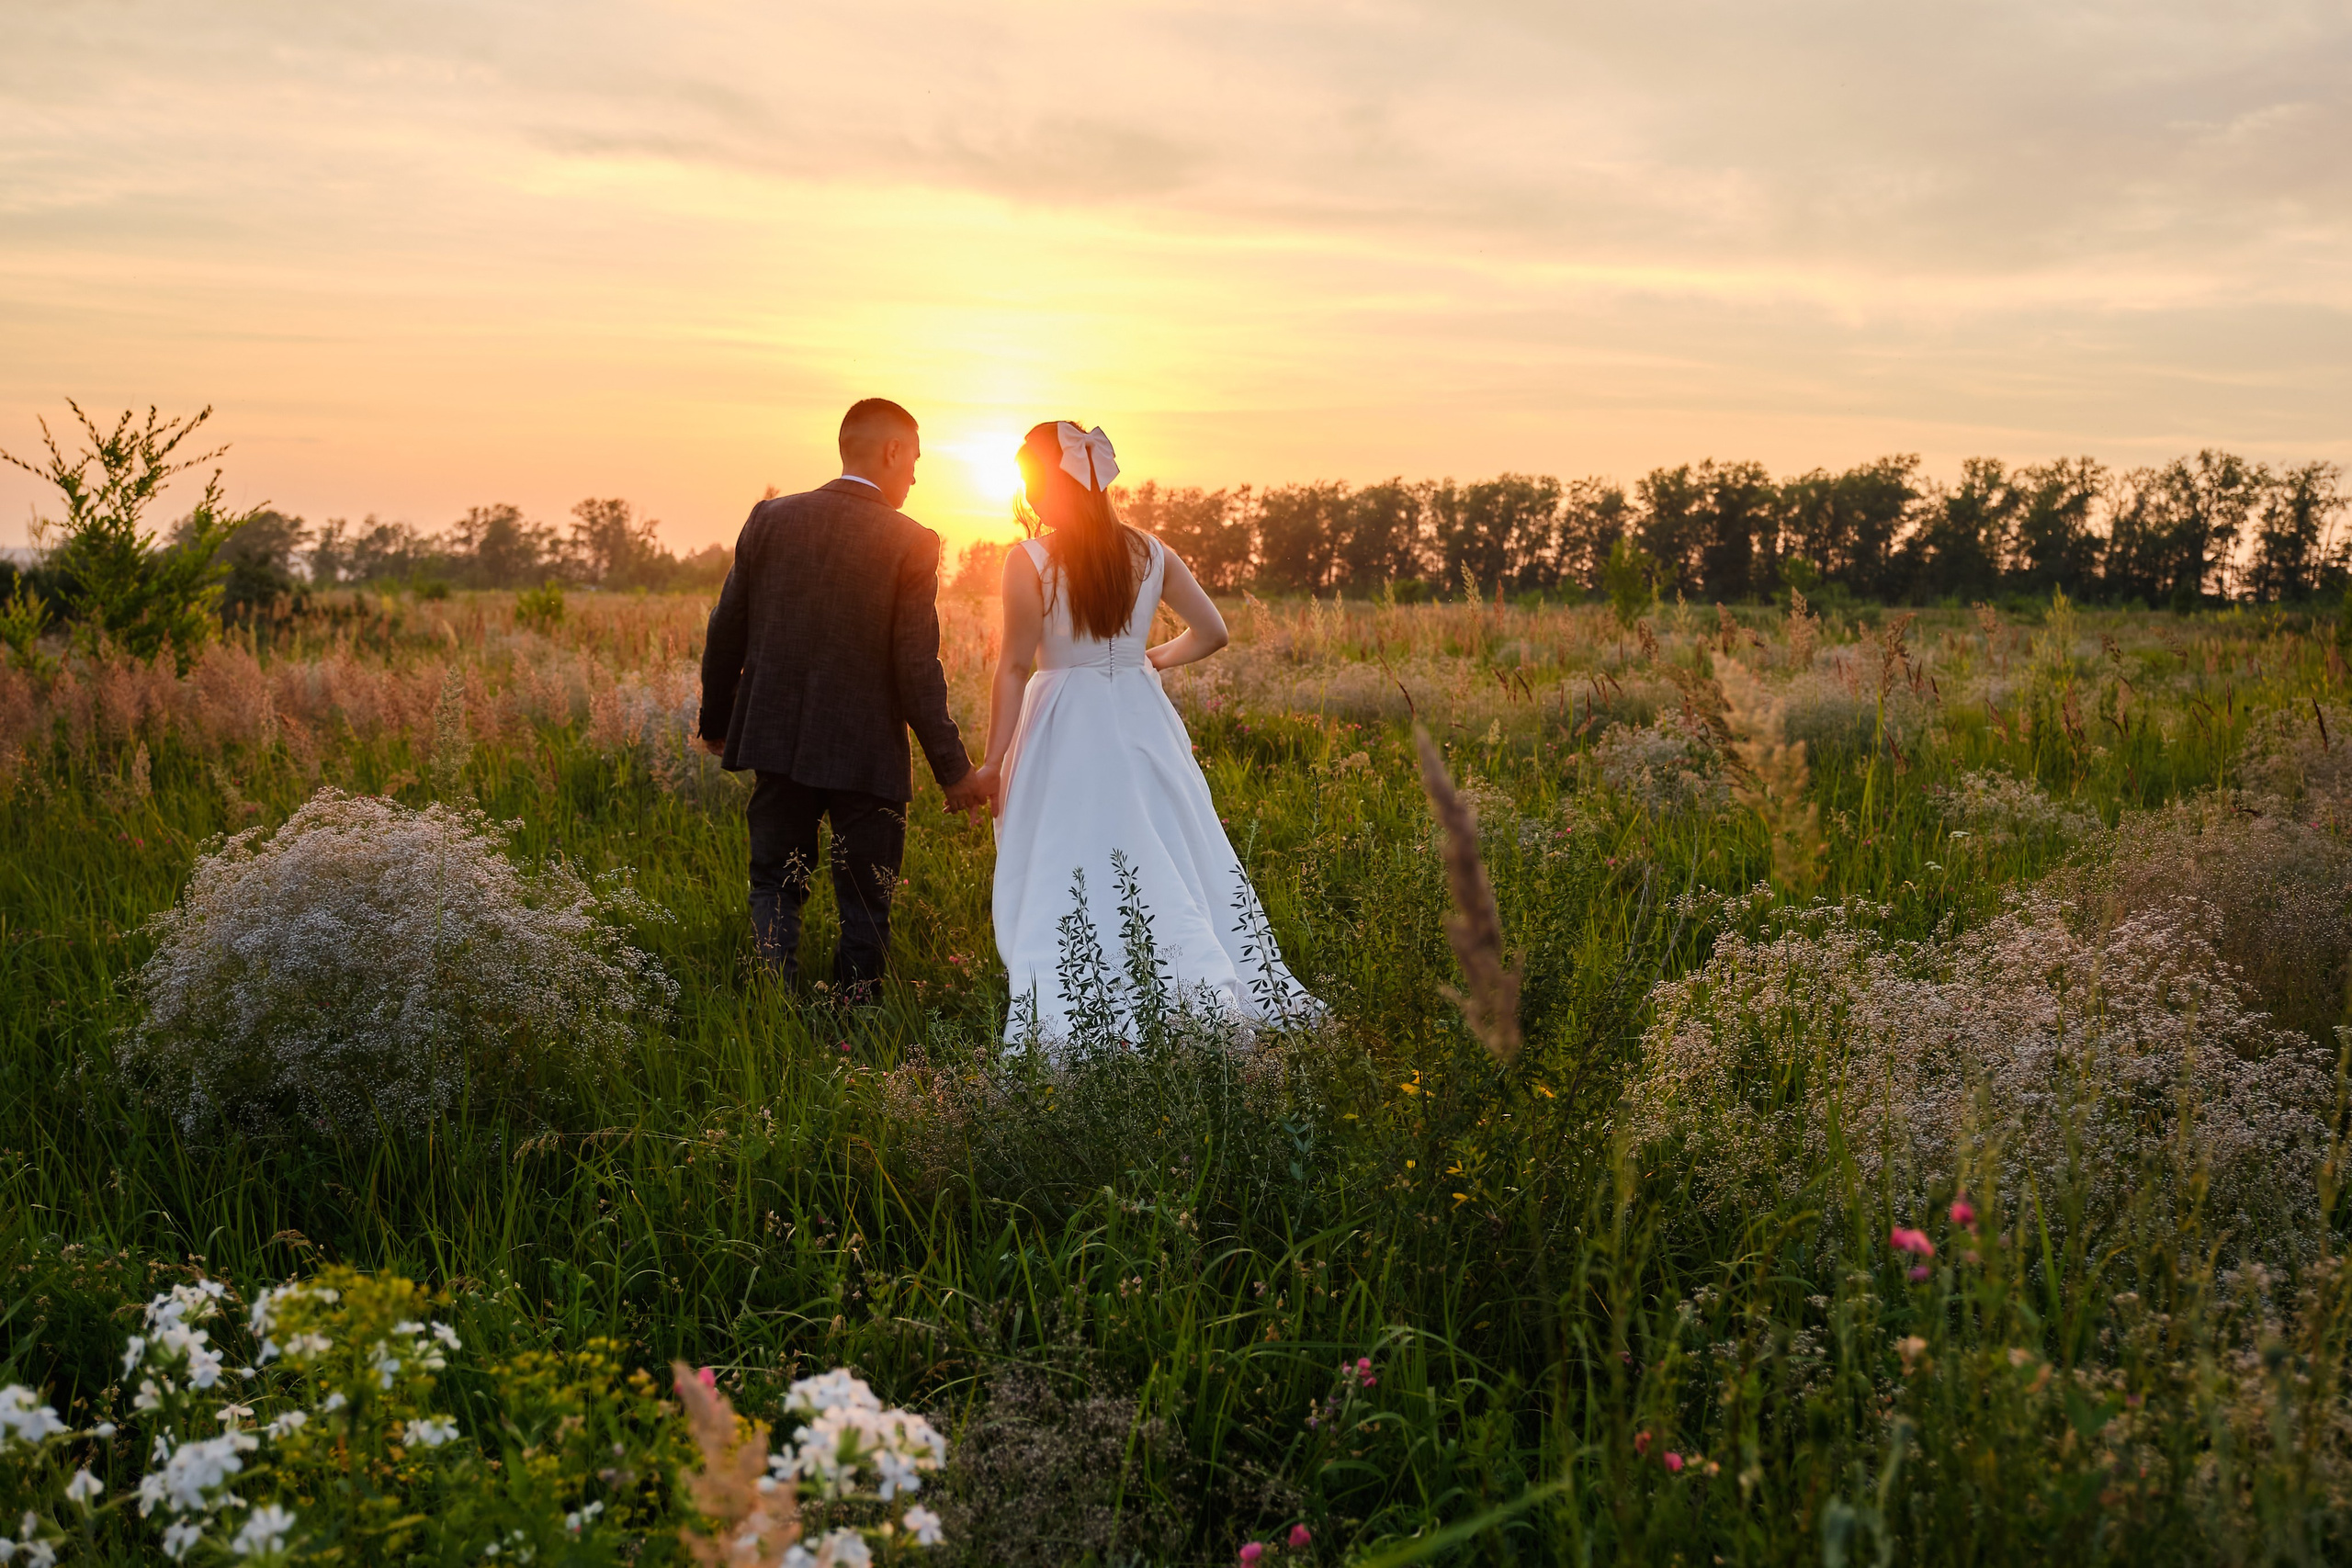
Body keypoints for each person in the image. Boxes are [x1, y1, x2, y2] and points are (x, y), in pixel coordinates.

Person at [970, 420, 1319, 1045]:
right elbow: (1214, 632)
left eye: (1032, 481)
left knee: (1070, 855)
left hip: (1062, 718)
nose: (1030, 497)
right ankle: (1192, 998)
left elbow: (1015, 665)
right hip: (1140, 715)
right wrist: (1147, 660)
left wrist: (994, 760)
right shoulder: (1153, 552)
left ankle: (1085, 999)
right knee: (1164, 850)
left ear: (1055, 481)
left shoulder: (1029, 559)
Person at [697, 398, 992, 998]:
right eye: (913, 458)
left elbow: (726, 627)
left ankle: (771, 1006)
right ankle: (856, 1021)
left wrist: (717, 719)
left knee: (774, 881)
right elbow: (916, 666)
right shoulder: (911, 540)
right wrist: (953, 770)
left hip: (777, 741)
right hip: (867, 754)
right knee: (866, 895)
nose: (915, 474)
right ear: (890, 451)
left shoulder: (770, 518)